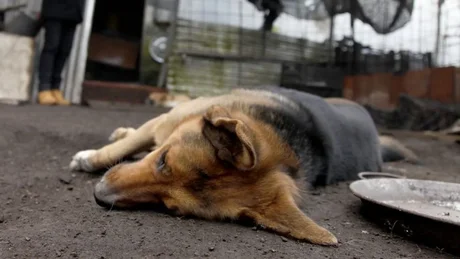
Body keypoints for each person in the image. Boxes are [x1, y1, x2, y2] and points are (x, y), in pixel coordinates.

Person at [37, 0, 85, 105]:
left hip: (74, 12)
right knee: (51, 47)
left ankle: (55, 88)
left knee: (64, 50)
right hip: (54, 9)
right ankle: (44, 88)